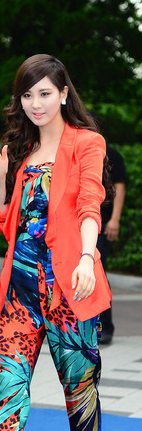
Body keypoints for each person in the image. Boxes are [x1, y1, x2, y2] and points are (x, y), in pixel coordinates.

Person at [0, 54, 113, 431]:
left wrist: (86, 258)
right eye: (27, 94)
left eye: (45, 93)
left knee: (80, 393)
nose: (36, 103)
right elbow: (10, 229)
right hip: (19, 296)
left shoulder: (86, 143)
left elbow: (91, 203)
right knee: (8, 392)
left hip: (70, 291)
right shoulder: (23, 154)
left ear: (63, 93)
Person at [97, 145, 127, 345]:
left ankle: (105, 328)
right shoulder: (70, 149)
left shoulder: (111, 153)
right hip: (75, 223)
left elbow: (119, 187)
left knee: (97, 273)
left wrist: (115, 219)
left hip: (102, 222)